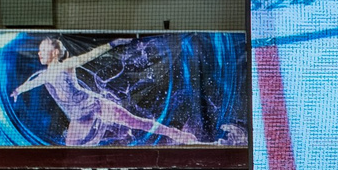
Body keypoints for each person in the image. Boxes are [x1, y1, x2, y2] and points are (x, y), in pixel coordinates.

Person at [11, 38, 204, 146]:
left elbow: (90, 55)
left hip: (94, 104)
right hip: (79, 118)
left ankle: (176, 134)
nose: (38, 54)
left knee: (134, 121)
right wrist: (19, 89)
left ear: (54, 53)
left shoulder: (66, 65)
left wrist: (112, 44)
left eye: (42, 50)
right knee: (70, 150)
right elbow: (34, 82)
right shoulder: (44, 75)